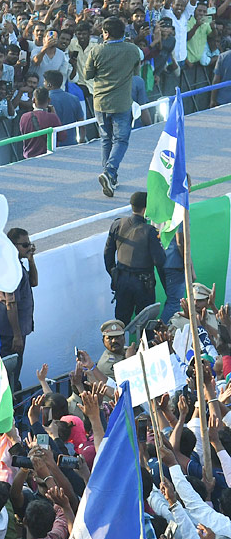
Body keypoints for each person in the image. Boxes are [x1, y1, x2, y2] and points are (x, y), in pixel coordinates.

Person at [82, 17, 142, 197]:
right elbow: (136, 73)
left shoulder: (96, 50)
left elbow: (87, 75)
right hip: (122, 103)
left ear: (106, 33)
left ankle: (110, 177)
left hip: (100, 101)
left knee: (106, 139)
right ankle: (109, 171)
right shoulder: (133, 50)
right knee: (121, 140)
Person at [104, 190, 166, 324]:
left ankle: (121, 344)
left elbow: (108, 255)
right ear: (146, 209)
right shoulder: (150, 231)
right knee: (146, 323)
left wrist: (114, 274)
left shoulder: (117, 224)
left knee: (120, 322)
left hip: (121, 280)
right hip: (143, 284)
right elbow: (159, 261)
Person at [0, 228, 38, 390]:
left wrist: (31, 260)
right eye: (25, 245)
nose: (29, 248)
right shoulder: (9, 270)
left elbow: (34, 282)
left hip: (19, 329)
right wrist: (16, 335)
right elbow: (10, 304)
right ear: (12, 246)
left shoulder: (17, 265)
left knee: (16, 371)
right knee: (9, 374)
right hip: (12, 332)